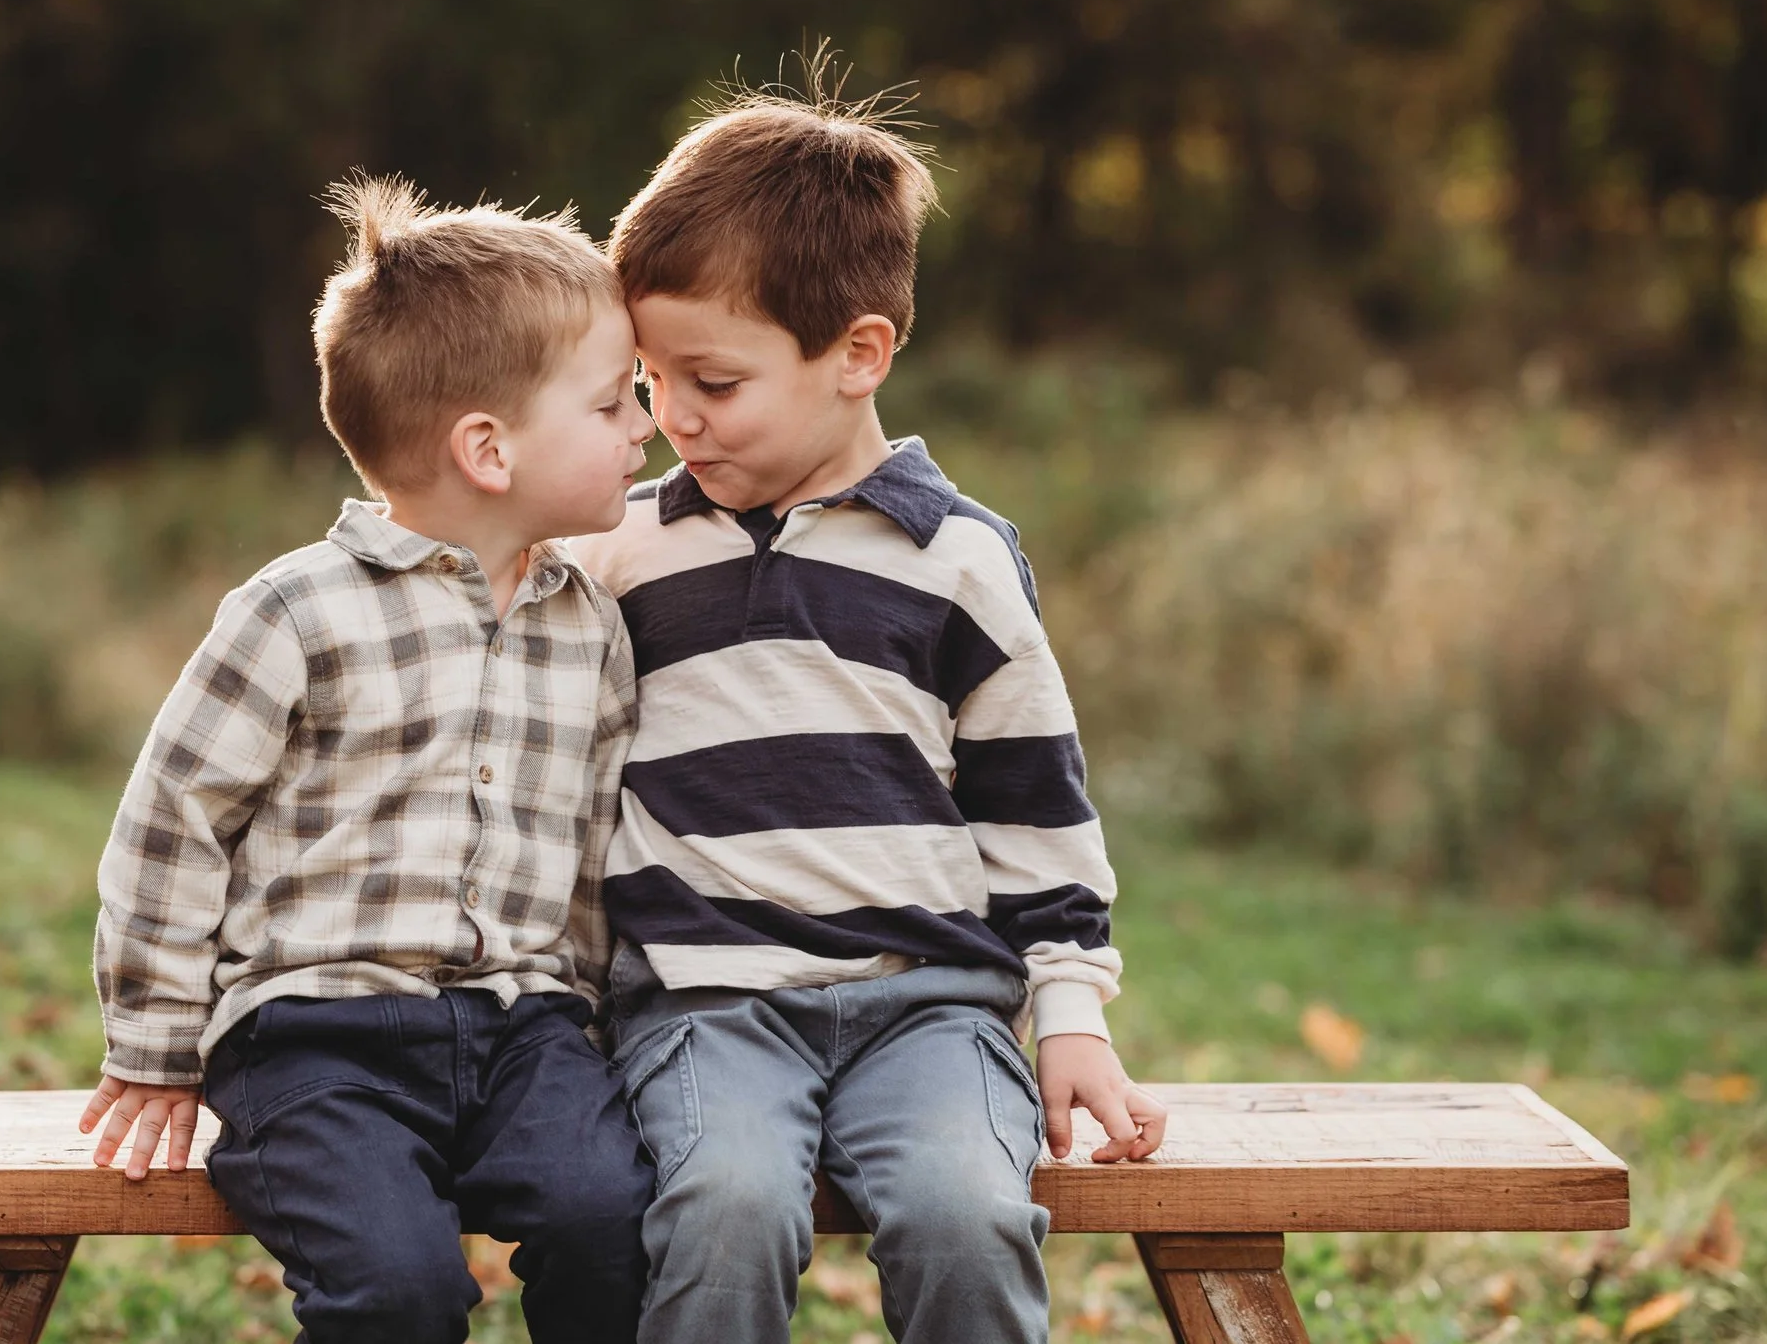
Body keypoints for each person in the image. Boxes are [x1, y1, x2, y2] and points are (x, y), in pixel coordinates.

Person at [570, 72, 1168, 1344]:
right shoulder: (618, 552)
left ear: (858, 354)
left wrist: (1066, 1014)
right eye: (648, 378)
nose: (669, 416)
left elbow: (1033, 805)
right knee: (722, 1210)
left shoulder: (957, 559)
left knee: (967, 1215)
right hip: (702, 1003)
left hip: (931, 1006)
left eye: (712, 382)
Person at [81, 174, 658, 1344]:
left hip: (522, 1029)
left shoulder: (587, 623)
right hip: (315, 1037)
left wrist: (595, 1015)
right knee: (397, 1290)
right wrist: (153, 1046)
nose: (643, 423)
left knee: (615, 1215)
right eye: (611, 404)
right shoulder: (296, 611)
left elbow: (598, 845)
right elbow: (172, 820)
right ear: (487, 448)